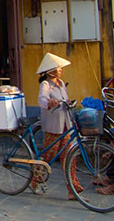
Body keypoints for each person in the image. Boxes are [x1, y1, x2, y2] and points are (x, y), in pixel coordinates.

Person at [32, 52, 83, 199]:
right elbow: (41, 100)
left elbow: (64, 100)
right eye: (57, 68)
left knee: (69, 156)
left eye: (60, 68)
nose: (60, 70)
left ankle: (73, 189)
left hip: (65, 124)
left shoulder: (61, 84)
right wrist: (49, 102)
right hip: (53, 126)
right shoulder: (46, 84)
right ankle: (35, 181)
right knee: (48, 155)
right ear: (50, 70)